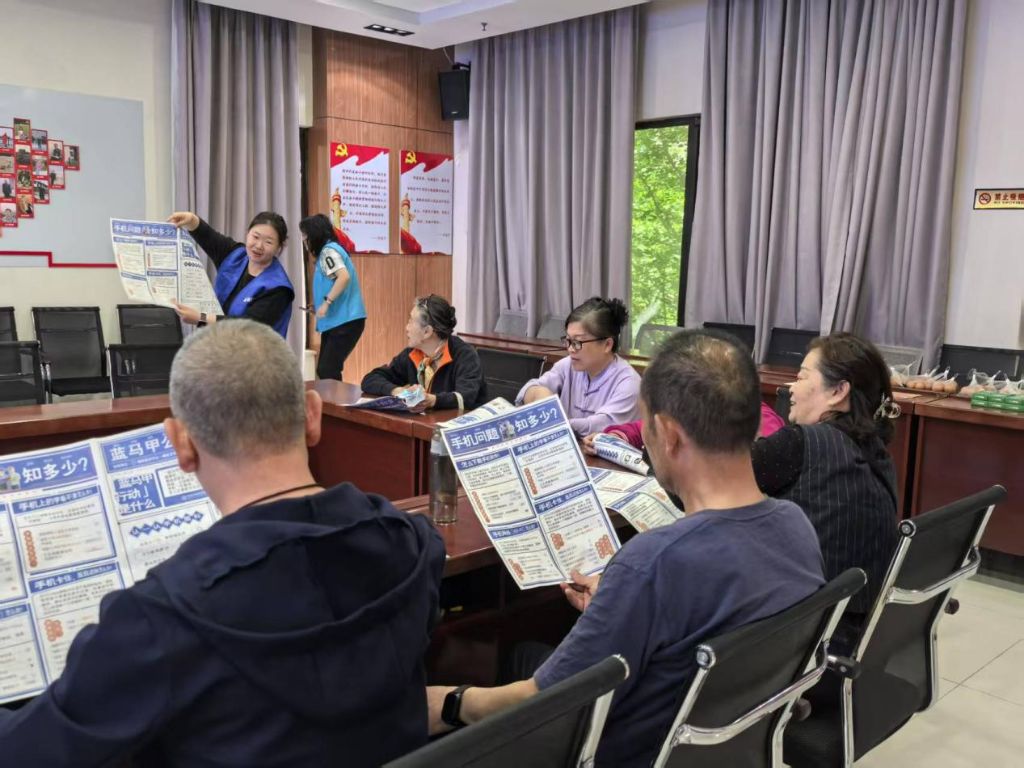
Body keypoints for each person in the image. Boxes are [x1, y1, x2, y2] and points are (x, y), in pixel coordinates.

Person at [0, 320, 446, 767]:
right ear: (313, 416)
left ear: (181, 444)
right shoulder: (411, 543)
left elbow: (25, 752)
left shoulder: (156, 620)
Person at [427, 330, 825, 767]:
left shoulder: (651, 564)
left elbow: (545, 703)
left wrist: (451, 703)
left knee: (492, 677)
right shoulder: (797, 527)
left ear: (669, 435)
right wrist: (619, 604)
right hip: (728, 749)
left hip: (625, 752)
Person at [751, 332, 900, 650]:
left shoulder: (801, 442)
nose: (791, 387)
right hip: (859, 630)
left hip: (804, 637)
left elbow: (710, 480)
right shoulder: (876, 449)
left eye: (802, 377)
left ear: (837, 391)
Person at [517, 297, 641, 437]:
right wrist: (537, 393)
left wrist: (551, 421)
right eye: (568, 340)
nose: (570, 349)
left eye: (577, 342)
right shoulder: (568, 365)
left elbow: (600, 426)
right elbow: (527, 391)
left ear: (607, 345)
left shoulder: (629, 384)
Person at [167, 210, 295, 338]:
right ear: (247, 234)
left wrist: (201, 317)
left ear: (279, 247)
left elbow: (248, 327)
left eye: (268, 242)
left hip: (252, 349)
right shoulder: (235, 255)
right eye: (255, 237)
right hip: (216, 343)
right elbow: (208, 237)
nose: (259, 246)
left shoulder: (279, 288)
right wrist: (191, 220)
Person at [361, 295, 486, 412]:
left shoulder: (465, 355)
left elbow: (466, 398)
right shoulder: (413, 353)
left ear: (427, 332)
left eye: (411, 321)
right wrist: (397, 391)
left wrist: (433, 400)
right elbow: (370, 379)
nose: (406, 328)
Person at [300, 213, 367, 381]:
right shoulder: (330, 251)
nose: (304, 240)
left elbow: (343, 277)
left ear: (314, 235)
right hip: (339, 320)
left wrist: (326, 303)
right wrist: (319, 305)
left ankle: (337, 398)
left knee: (327, 369)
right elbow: (333, 283)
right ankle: (333, 398)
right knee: (325, 370)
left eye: (306, 236)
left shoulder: (328, 252)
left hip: (345, 321)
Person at [583, 401, 785, 455]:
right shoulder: (693, 405)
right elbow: (645, 427)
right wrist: (616, 438)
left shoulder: (757, 416)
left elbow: (768, 452)